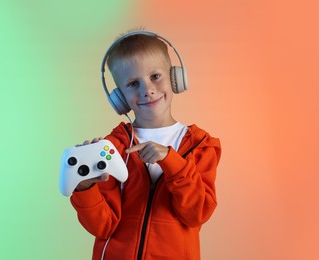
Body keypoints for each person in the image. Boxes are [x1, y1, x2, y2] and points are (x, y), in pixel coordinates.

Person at [69, 30, 221, 260]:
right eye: (132, 83)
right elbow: (102, 227)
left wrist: (172, 162)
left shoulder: (201, 146)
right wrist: (85, 187)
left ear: (175, 78)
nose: (147, 90)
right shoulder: (113, 149)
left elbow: (196, 213)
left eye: (155, 76)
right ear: (119, 97)